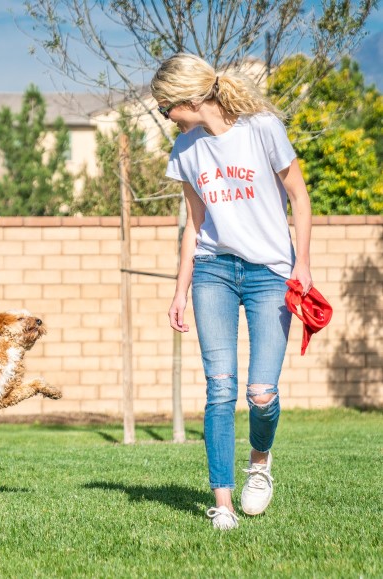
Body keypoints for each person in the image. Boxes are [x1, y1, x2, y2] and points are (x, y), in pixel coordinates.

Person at [150, 53, 313, 530]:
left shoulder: (262, 128)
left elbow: (300, 198)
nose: (166, 117)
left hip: (270, 273)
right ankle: (222, 505)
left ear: (188, 99)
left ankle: (259, 463)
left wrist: (301, 265)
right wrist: (180, 291)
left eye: (165, 108)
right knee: (219, 389)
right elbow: (194, 225)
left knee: (261, 393)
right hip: (213, 272)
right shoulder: (186, 149)